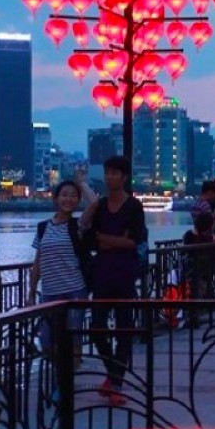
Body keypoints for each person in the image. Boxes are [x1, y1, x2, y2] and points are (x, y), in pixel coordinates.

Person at [83, 156, 146, 406]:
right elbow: (89, 236)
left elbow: (133, 242)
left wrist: (105, 239)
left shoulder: (133, 207)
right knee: (96, 328)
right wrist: (113, 239)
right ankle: (113, 374)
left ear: (124, 177)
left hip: (124, 270)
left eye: (114, 173)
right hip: (102, 271)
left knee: (124, 328)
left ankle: (116, 382)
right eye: (107, 172)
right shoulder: (100, 206)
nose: (109, 177)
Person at [27, 173, 97, 370]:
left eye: (73, 195)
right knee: (47, 341)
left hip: (75, 290)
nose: (69, 199)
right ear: (55, 198)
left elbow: (94, 204)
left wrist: (81, 182)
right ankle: (60, 379)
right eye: (64, 195)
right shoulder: (43, 228)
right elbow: (38, 262)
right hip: (50, 292)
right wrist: (31, 291)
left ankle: (68, 389)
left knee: (73, 340)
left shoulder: (78, 225)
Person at [182, 210, 215, 303]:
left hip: (188, 268)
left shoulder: (188, 235)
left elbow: (202, 230)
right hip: (203, 269)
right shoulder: (206, 239)